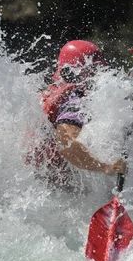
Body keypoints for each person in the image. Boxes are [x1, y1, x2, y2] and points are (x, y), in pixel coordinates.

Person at [27, 40, 127, 187]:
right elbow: (67, 144)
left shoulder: (53, 91)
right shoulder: (74, 100)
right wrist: (104, 167)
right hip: (53, 183)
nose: (101, 73)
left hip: (32, 177)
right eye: (94, 68)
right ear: (77, 71)